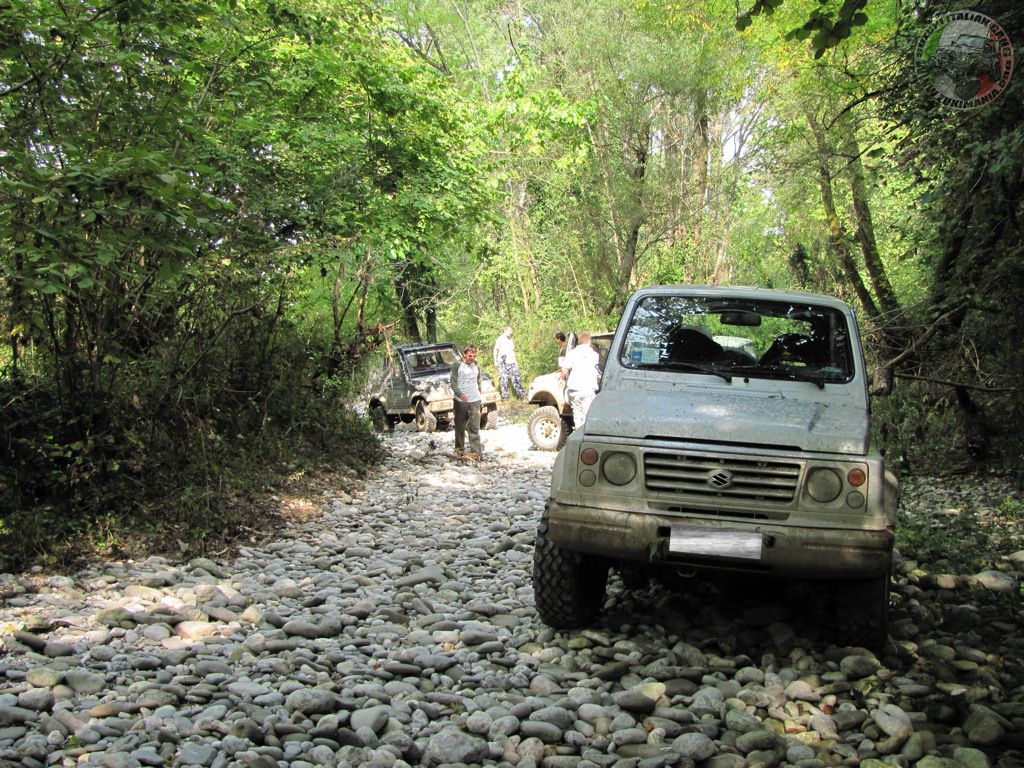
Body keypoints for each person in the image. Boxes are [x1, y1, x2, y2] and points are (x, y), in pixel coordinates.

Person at [560, 331, 602, 429]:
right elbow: (597, 373)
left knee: (578, 417)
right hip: (588, 390)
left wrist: (562, 380)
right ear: (589, 341)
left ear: (579, 341)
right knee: (588, 417)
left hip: (574, 390)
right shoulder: (595, 355)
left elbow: (565, 369)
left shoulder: (572, 353)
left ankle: (579, 436)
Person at [450, 344, 484, 459]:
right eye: (470, 355)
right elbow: (453, 382)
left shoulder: (477, 365)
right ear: (464, 354)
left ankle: (476, 452)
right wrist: (460, 394)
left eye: (474, 355)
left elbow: (479, 380)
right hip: (461, 400)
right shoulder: (456, 365)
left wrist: (480, 394)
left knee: (474, 427)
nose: (472, 357)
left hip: (475, 400)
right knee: (460, 426)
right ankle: (459, 450)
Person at [493, 325, 526, 400]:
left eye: (511, 330)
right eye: (510, 330)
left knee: (517, 378)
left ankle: (521, 395)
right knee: (504, 379)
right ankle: (505, 397)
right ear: (505, 330)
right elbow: (495, 350)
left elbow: (512, 352)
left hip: (511, 362)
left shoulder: (510, 340)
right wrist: (495, 361)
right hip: (502, 362)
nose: (511, 332)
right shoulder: (500, 339)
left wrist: (516, 363)